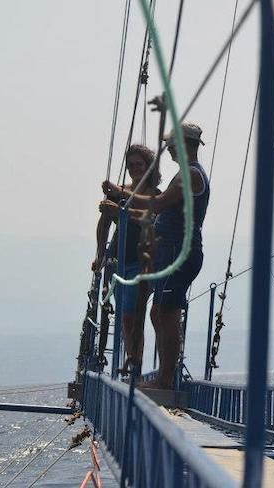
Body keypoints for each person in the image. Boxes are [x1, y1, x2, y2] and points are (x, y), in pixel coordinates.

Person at [102, 122, 209, 389]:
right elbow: (154, 214)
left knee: (166, 313)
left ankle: (163, 379)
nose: (170, 151)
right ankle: (164, 374)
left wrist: (120, 193)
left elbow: (158, 204)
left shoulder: (191, 175)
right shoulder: (185, 174)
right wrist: (120, 210)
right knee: (157, 313)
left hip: (179, 251)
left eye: (173, 146)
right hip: (169, 251)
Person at [93, 144, 161, 372]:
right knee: (124, 313)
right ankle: (133, 358)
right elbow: (103, 224)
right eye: (130, 165)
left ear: (148, 167)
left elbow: (152, 220)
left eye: (138, 165)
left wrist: (119, 211)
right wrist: (100, 254)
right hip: (118, 261)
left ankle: (134, 360)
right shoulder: (118, 192)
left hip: (142, 263)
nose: (134, 169)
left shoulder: (156, 196)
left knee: (134, 312)